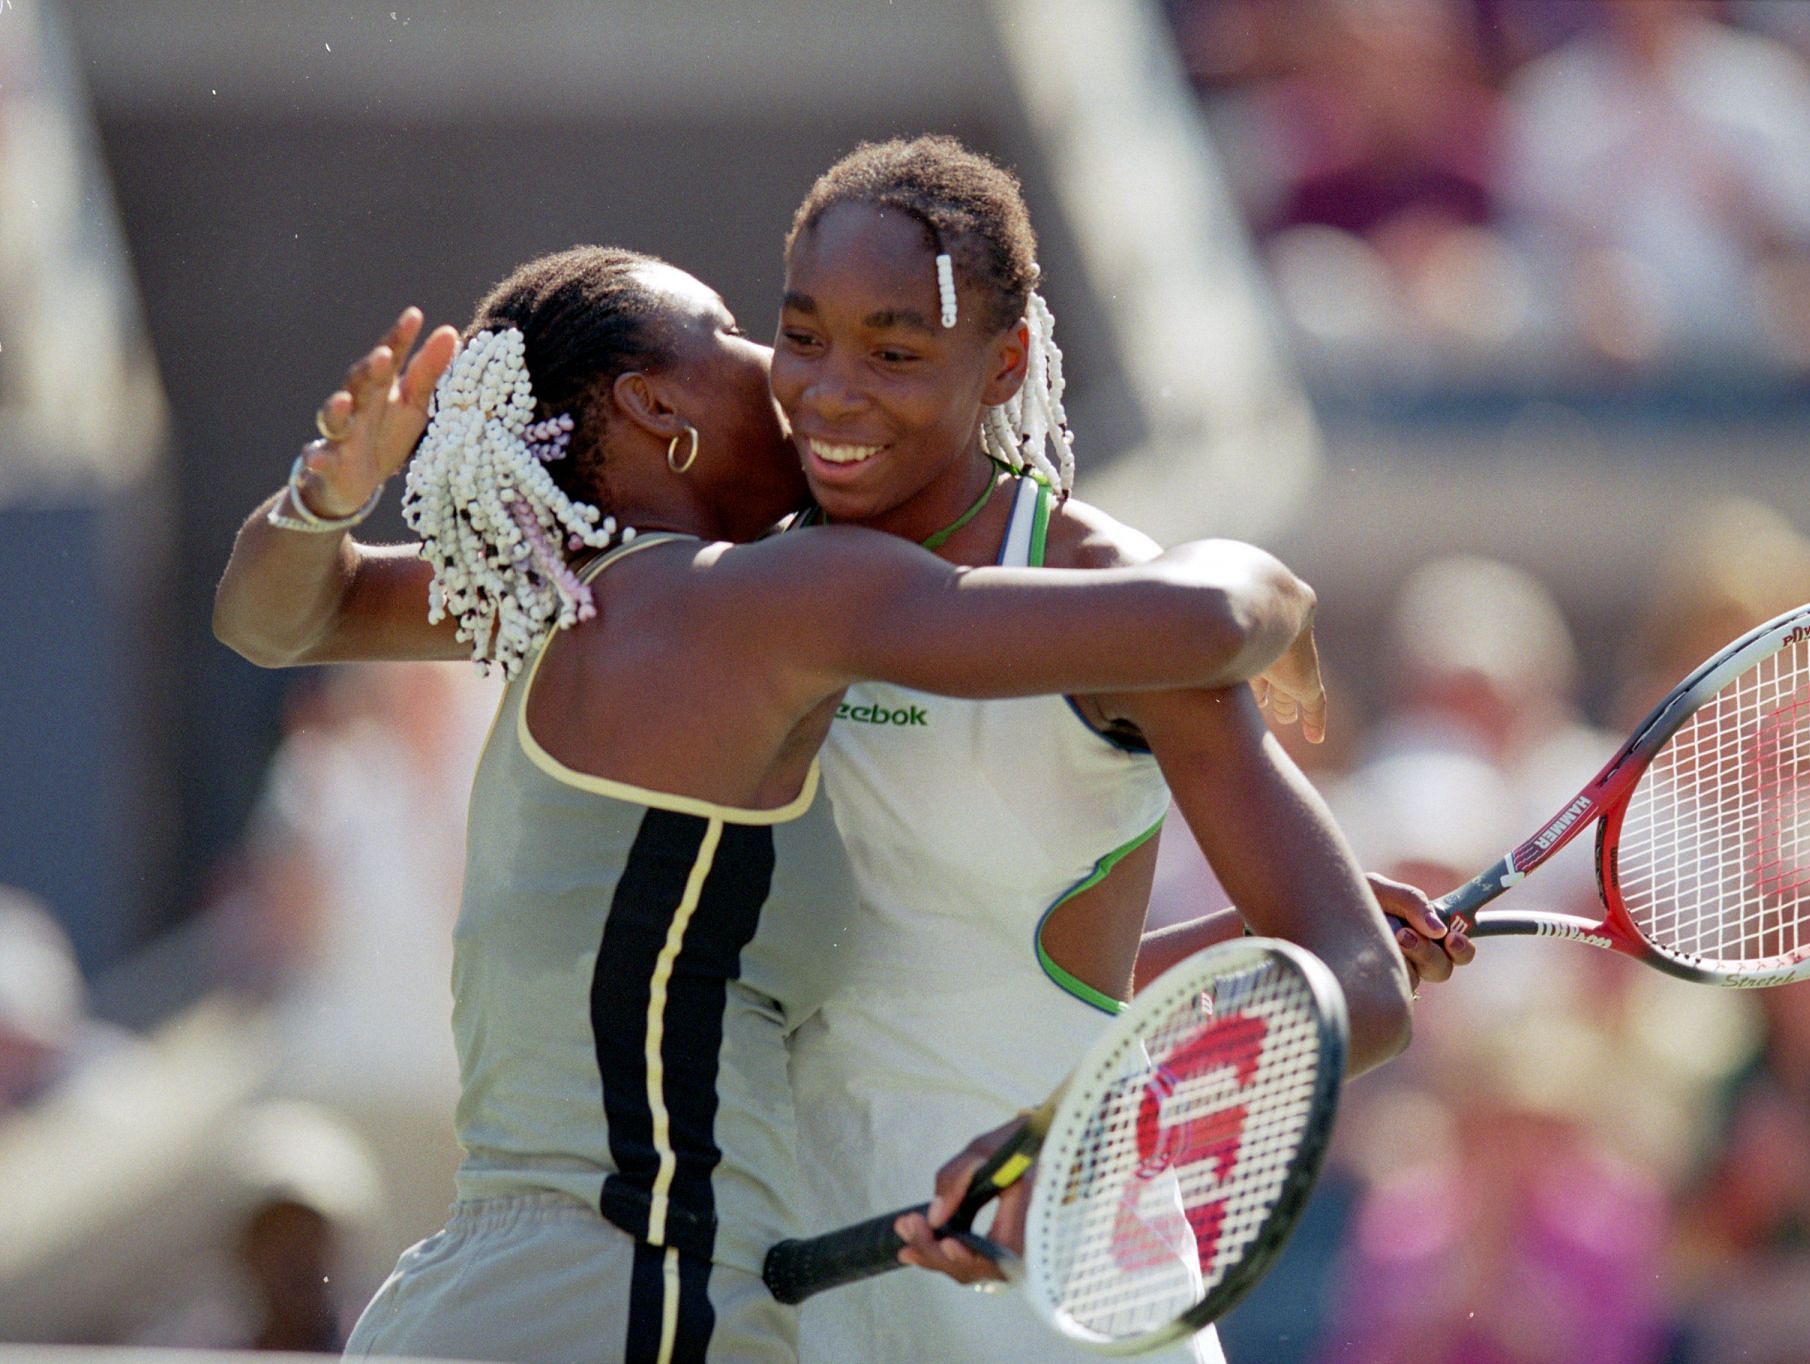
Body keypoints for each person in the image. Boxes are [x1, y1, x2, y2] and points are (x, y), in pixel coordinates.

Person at [212, 245, 1336, 1362]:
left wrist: (324, 497)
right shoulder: (771, 599)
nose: (789, 375)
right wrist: (1269, 581)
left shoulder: (558, 596)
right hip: (631, 1295)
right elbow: (1202, 626)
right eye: (745, 337)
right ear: (661, 408)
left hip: (487, 1289)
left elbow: (275, 620)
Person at [760, 136, 1462, 1364]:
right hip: (784, 1276)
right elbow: (962, 960)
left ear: (1007, 363)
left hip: (1056, 1282)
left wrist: (1056, 1126)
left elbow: (1363, 978)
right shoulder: (742, 566)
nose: (830, 391)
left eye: (896, 350)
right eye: (803, 333)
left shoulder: (1112, 598)